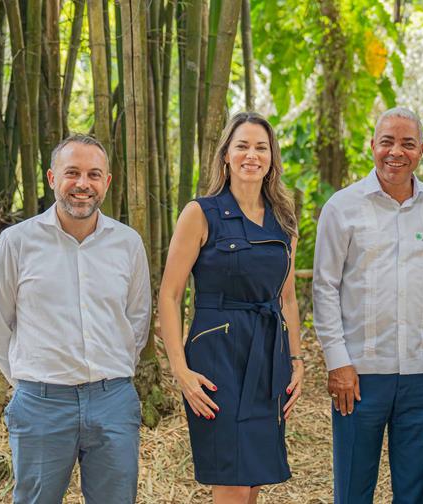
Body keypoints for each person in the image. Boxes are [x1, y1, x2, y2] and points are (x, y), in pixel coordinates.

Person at [0, 134, 151, 503]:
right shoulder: (16, 243)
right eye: (72, 172)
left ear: (106, 182)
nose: (82, 184)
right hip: (41, 402)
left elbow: (137, 320)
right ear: (51, 178)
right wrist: (30, 382)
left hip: (113, 399)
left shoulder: (128, 243)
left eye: (93, 174)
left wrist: (114, 374)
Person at [312, 107, 423, 503]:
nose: (396, 152)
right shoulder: (342, 208)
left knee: (419, 491)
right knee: (353, 488)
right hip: (359, 373)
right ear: (373, 146)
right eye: (388, 142)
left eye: (407, 143)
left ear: (422, 150)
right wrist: (336, 361)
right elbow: (325, 288)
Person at [158, 112, 304, 503]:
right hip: (216, 352)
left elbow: (286, 298)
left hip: (268, 354)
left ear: (272, 157)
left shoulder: (284, 222)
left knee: (253, 478)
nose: (251, 155)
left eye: (261, 147)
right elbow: (170, 295)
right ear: (225, 155)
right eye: (242, 146)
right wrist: (180, 369)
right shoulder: (200, 213)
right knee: (233, 479)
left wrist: (297, 360)